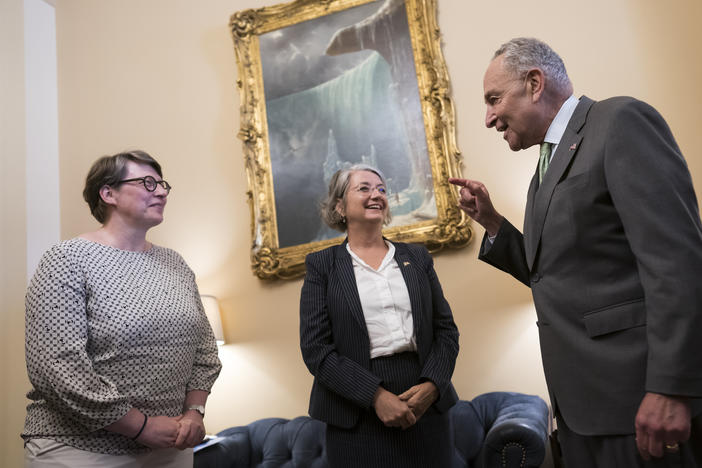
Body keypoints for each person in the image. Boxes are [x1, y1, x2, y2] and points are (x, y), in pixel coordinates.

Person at [449, 37, 702, 467]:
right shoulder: (544, 167)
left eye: (494, 99)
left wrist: (671, 388)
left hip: (638, 401)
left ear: (533, 82)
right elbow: (549, 273)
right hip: (581, 409)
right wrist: (493, 223)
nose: (488, 117)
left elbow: (676, 264)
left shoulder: (619, 121)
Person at [22, 150, 222, 467]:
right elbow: (57, 368)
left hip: (171, 449)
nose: (161, 192)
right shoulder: (67, 260)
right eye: (147, 182)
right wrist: (140, 426)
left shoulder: (175, 264)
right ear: (108, 193)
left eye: (162, 184)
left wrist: (195, 412)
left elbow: (204, 348)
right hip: (80, 449)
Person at [299, 164, 459, 467]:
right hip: (355, 411)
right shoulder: (322, 266)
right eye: (364, 188)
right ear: (339, 206)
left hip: (424, 403)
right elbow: (316, 350)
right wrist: (375, 396)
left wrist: (433, 385)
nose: (377, 195)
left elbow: (446, 331)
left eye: (382, 189)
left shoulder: (418, 257)